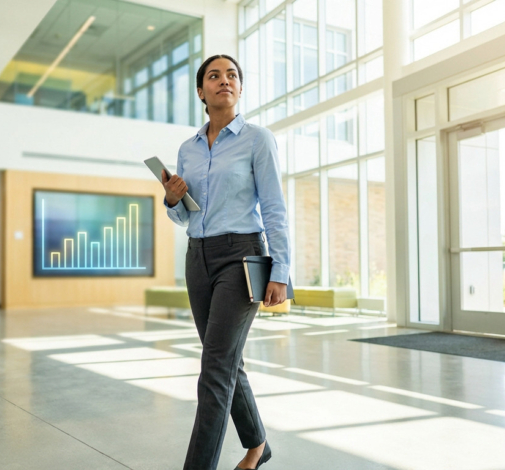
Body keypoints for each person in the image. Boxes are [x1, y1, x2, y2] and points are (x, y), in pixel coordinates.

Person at [161, 54, 290, 470]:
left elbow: (274, 209)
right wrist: (173, 199)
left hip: (242, 257)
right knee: (225, 359)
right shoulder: (188, 149)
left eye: (232, 75)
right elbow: (184, 216)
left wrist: (281, 272)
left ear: (239, 87)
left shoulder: (257, 140)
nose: (224, 81)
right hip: (198, 257)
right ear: (201, 91)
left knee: (214, 368)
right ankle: (257, 446)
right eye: (213, 76)